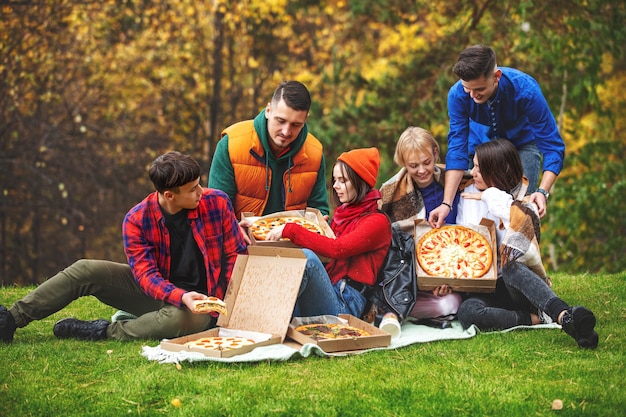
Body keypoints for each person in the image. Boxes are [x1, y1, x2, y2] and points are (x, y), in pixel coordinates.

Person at [0, 151, 247, 343]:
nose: (201, 192)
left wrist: (225, 304)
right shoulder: (137, 220)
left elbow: (236, 256)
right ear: (169, 195)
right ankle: (11, 319)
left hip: (204, 304)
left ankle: (102, 331)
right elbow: (145, 276)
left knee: (185, 319)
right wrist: (180, 295)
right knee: (86, 269)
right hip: (160, 292)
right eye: (193, 189)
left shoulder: (216, 203)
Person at [456, 139, 598, 349]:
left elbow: (521, 236)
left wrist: (490, 196)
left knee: (511, 266)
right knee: (468, 312)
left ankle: (563, 315)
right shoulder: (464, 194)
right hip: (483, 287)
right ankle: (538, 319)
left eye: (478, 167)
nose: (472, 171)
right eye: (474, 165)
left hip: (515, 286)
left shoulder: (523, 202)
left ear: (495, 170)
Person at [430, 45, 565, 228]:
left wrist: (542, 191)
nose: (472, 95)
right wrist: (446, 203)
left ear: (496, 76)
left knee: (521, 214)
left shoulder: (526, 90)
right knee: (471, 208)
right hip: (478, 146)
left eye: (479, 89)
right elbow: (457, 146)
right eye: (467, 89)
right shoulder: (457, 95)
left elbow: (552, 146)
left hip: (521, 145)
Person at [265, 148, 392, 319]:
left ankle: (271, 319)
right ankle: (270, 318)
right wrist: (318, 229)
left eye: (343, 180)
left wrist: (291, 229)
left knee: (307, 260)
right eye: (335, 180)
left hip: (346, 304)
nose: (335, 186)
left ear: (360, 181)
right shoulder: (344, 214)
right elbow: (330, 252)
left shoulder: (377, 222)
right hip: (330, 290)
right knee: (286, 259)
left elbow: (337, 249)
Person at [208, 80, 329, 226]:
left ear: (305, 120)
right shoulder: (232, 144)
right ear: (268, 111)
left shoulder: (314, 151)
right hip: (239, 239)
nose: (286, 131)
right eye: (280, 120)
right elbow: (217, 206)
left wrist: (319, 223)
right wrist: (234, 231)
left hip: (293, 243)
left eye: (296, 125)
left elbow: (318, 209)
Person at [379, 126, 462, 323]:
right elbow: (393, 252)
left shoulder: (454, 183)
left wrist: (447, 279)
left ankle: (396, 309)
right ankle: (395, 305)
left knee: (450, 303)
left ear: (435, 152)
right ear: (403, 163)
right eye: (414, 165)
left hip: (456, 266)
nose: (422, 170)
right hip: (409, 276)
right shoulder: (390, 194)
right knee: (445, 305)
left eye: (427, 162)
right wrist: (425, 281)